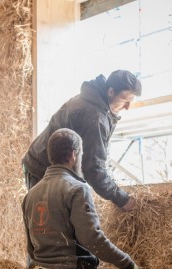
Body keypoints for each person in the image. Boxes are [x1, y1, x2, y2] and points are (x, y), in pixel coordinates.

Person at [22, 128, 144, 269]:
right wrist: (126, 262)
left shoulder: (31, 195)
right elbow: (92, 239)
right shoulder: (77, 189)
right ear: (73, 154)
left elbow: (30, 247)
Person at [22, 70, 142, 211]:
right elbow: (93, 169)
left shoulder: (92, 100)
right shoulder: (95, 116)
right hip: (42, 168)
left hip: (49, 165)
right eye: (124, 100)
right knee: (51, 224)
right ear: (111, 92)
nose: (127, 107)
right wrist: (122, 199)